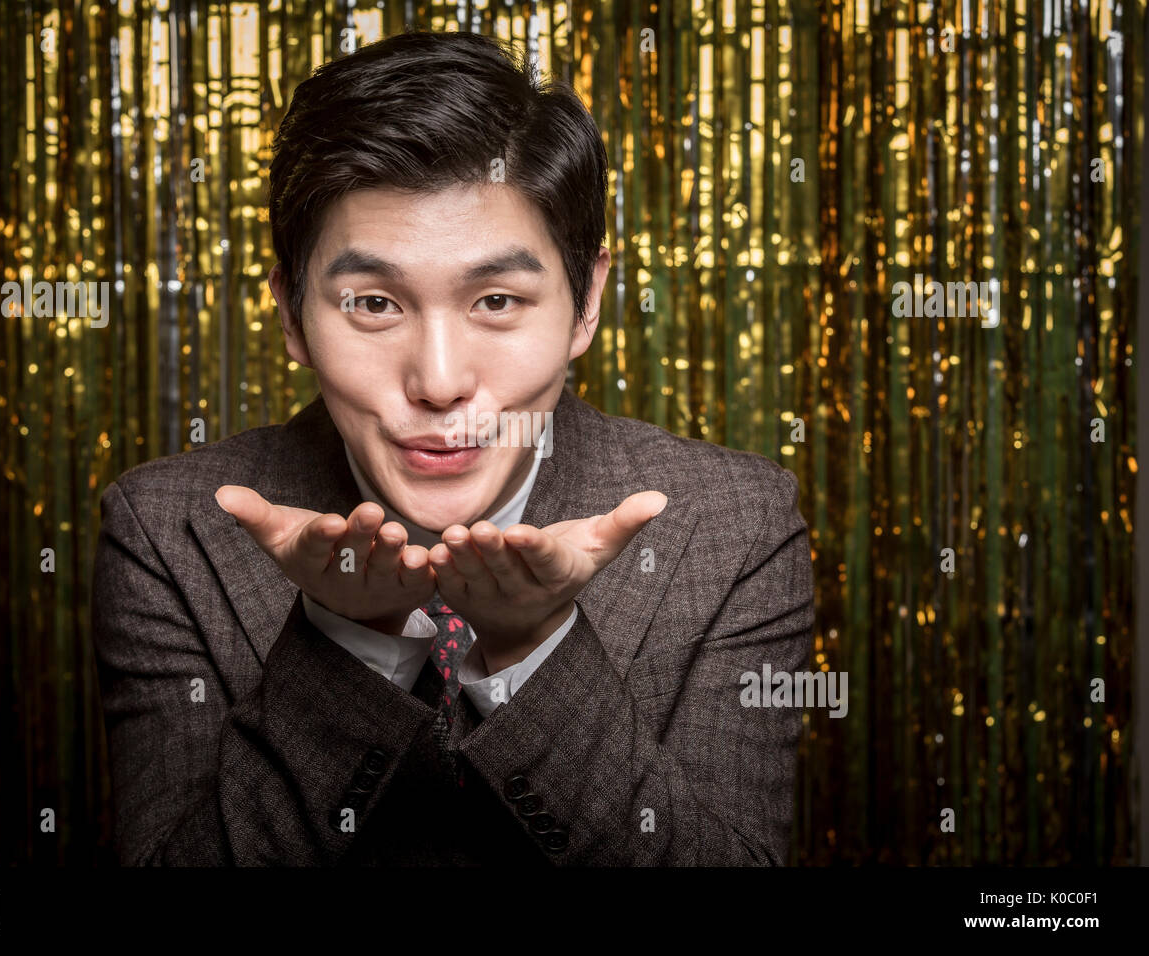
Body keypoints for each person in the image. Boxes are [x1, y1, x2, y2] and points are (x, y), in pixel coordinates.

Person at [91, 28, 814, 865]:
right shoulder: (165, 531)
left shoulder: (733, 529)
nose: (437, 382)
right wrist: (345, 642)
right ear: (291, 313)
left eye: (498, 299)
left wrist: (531, 647)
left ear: (586, 305)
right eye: (373, 304)